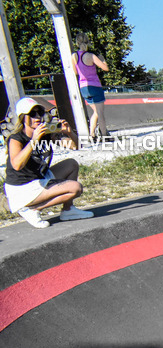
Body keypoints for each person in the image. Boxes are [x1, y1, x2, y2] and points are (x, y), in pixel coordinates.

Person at [4, 97, 92, 229]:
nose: (37, 117)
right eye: (32, 114)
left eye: (40, 112)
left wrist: (69, 132)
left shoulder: (45, 134)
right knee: (76, 188)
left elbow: (76, 146)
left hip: (39, 179)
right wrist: (33, 140)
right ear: (23, 117)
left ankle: (68, 210)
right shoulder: (16, 139)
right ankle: (32, 209)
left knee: (71, 164)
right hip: (22, 188)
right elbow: (17, 165)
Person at [71, 32, 110, 141]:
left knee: (96, 112)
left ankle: (91, 134)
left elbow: (76, 72)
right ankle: (104, 135)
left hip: (83, 87)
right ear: (88, 42)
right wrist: (103, 59)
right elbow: (105, 68)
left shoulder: (74, 56)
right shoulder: (91, 56)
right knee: (100, 113)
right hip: (95, 86)